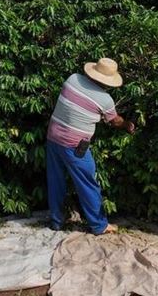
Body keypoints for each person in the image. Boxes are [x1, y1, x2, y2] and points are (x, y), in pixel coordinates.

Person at [46, 57, 135, 235]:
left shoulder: (72, 79)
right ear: (108, 82)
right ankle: (99, 225)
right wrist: (128, 125)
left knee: (56, 180)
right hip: (75, 145)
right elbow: (115, 121)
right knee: (88, 183)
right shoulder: (105, 99)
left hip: (53, 137)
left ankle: (56, 221)